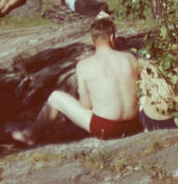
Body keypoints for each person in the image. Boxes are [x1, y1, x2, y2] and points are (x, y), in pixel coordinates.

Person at [11, 16, 140, 144]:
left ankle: (31, 134)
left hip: (106, 129)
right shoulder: (130, 58)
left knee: (56, 97)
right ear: (112, 37)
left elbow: (86, 105)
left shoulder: (84, 65)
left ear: (92, 41)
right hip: (134, 125)